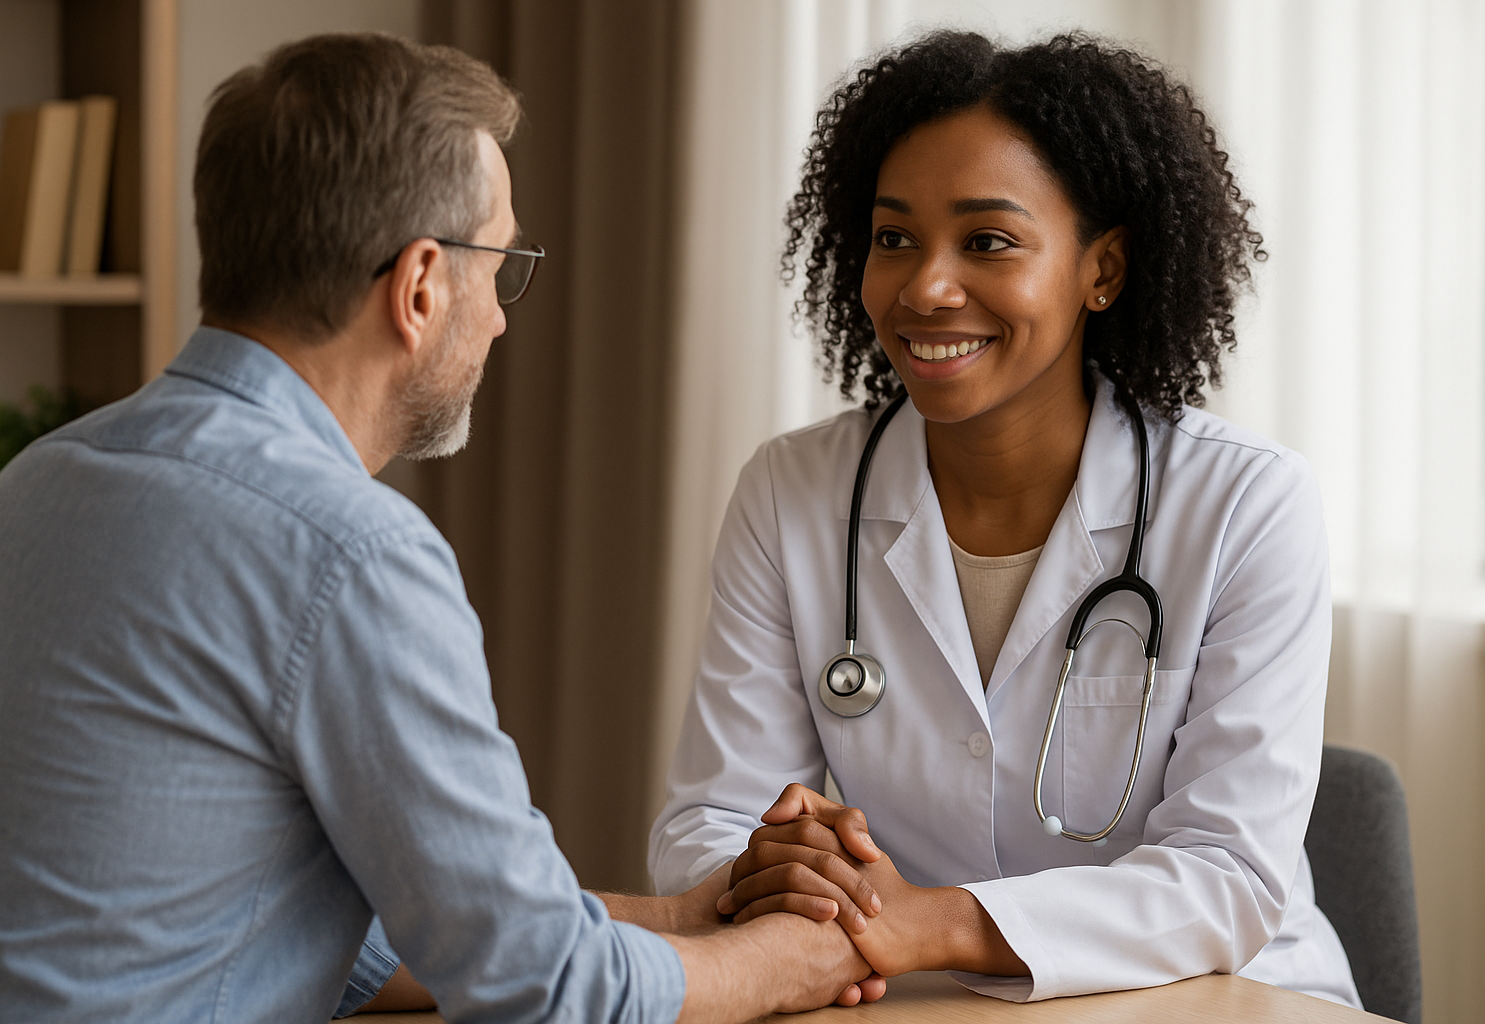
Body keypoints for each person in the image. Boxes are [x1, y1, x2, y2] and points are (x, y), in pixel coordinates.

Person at [0, 33, 882, 1024]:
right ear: (421, 285)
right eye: (499, 266)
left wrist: (685, 914)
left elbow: (269, 925)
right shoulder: (349, 551)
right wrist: (790, 960)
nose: (502, 318)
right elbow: (551, 991)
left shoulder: (39, 482)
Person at [649, 31, 1362, 1008]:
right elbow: (710, 820)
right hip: (914, 999)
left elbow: (1225, 876)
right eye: (894, 238)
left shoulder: (1245, 503)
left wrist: (929, 919)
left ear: (1101, 270)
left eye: (987, 241)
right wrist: (779, 864)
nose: (926, 287)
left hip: (1211, 998)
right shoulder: (794, 490)